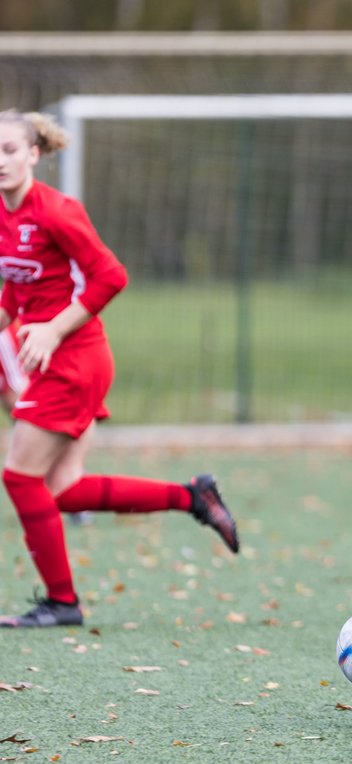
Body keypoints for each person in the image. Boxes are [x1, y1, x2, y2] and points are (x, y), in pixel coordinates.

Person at [0, 110, 240, 629]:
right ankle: (193, 497)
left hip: (75, 360)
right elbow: (17, 291)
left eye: (10, 150)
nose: (1, 161)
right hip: (52, 359)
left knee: (19, 477)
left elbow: (112, 275)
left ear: (34, 154)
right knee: (62, 489)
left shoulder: (57, 211)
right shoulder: (3, 216)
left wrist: (52, 329)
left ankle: (62, 603)